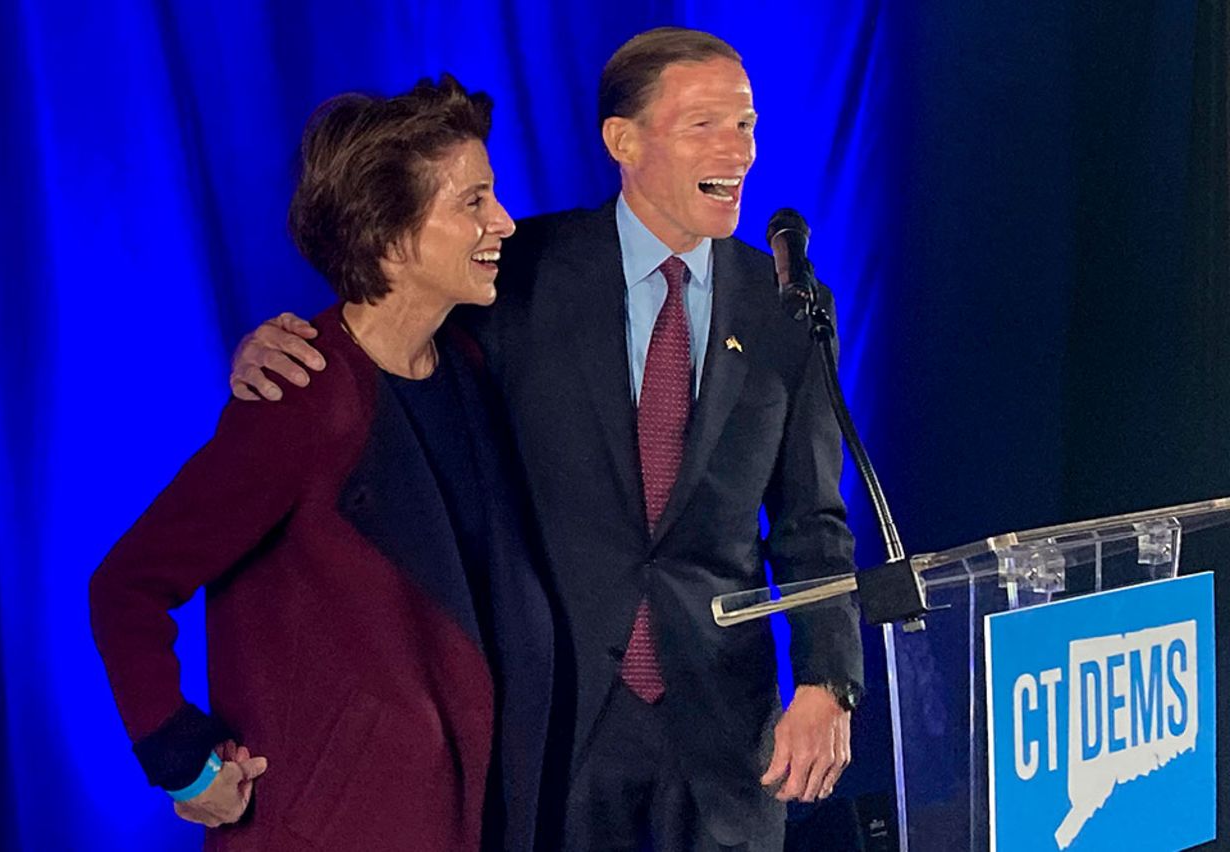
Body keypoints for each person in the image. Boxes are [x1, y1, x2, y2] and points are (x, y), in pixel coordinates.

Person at [232, 28, 863, 851]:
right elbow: (388, 326)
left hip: (722, 735)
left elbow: (813, 519)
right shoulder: (514, 272)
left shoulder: (785, 305)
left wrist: (827, 681)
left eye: (745, 124)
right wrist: (281, 346)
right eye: (706, 124)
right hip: (554, 729)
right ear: (622, 141)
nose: (737, 149)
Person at [90, 75, 553, 852]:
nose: (503, 221)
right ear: (389, 235)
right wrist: (183, 762)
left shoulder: (469, 366)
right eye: (473, 202)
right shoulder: (297, 399)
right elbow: (126, 586)